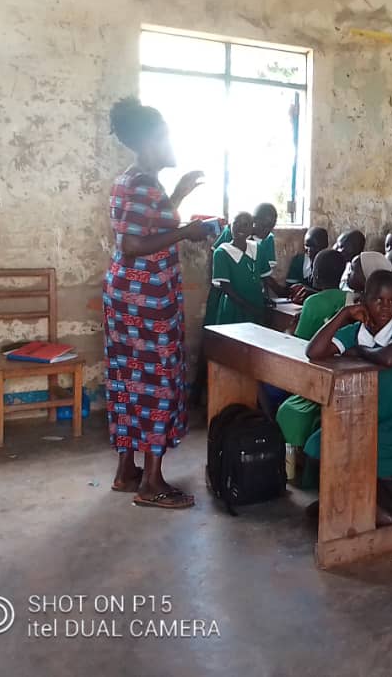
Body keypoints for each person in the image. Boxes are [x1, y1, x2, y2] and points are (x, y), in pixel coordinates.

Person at [104, 97, 209, 509]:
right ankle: (152, 483)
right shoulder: (143, 183)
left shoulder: (132, 180)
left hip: (126, 296)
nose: (170, 142)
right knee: (158, 381)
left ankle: (126, 470)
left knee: (128, 377)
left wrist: (178, 195)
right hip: (146, 299)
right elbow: (133, 244)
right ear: (149, 141)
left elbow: (148, 227)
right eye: (164, 135)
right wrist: (187, 234)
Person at [305, 270, 392, 524]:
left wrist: (358, 351)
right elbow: (314, 351)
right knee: (322, 441)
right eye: (378, 300)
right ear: (363, 300)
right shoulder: (357, 328)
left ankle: (370, 508)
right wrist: (344, 314)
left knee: (358, 449)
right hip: (378, 415)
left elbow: (390, 358)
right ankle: (347, 500)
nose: (385, 307)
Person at [275, 250, 350, 455]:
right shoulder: (350, 299)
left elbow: (299, 344)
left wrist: (289, 329)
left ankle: (283, 446)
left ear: (315, 274)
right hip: (340, 368)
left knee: (266, 383)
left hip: (312, 371)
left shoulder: (313, 303)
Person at [209, 211, 271, 325]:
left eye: (246, 224)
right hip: (234, 306)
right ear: (229, 226)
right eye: (236, 223)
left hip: (255, 302)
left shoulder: (257, 248)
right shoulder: (222, 252)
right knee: (232, 340)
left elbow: (265, 277)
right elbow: (226, 288)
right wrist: (250, 308)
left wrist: (266, 299)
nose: (240, 228)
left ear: (252, 228)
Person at [286, 227, 329, 295]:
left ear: (325, 245)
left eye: (314, 246)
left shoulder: (331, 263)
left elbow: (331, 293)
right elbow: (289, 288)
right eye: (307, 245)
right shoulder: (298, 261)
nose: (309, 249)